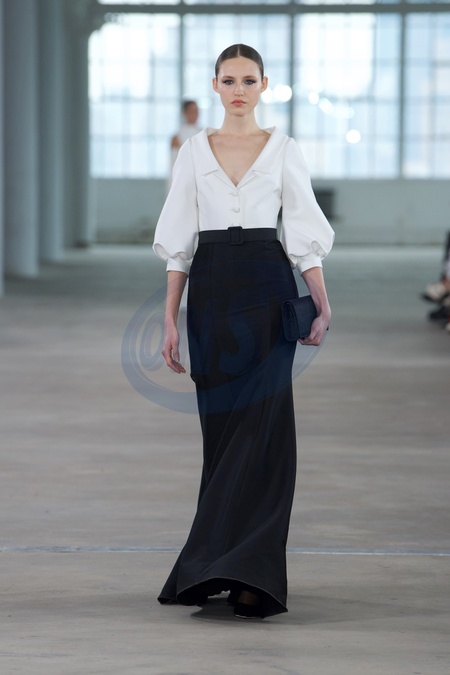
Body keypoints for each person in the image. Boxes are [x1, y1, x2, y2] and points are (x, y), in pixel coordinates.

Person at [153, 44, 335, 619]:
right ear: (215, 85)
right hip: (211, 293)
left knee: (266, 429)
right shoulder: (193, 151)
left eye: (248, 80)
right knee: (223, 431)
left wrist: (321, 302)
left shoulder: (283, 149)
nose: (238, 90)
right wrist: (170, 317)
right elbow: (179, 242)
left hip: (267, 289)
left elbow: (302, 231)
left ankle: (253, 574)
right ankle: (212, 565)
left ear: (264, 85)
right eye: (229, 80)